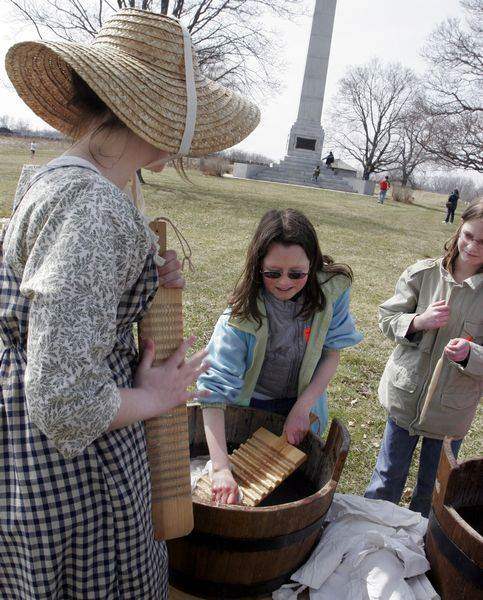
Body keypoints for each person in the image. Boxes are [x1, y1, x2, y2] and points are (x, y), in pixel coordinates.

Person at [1, 9, 259, 599]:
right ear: (154, 115)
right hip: (73, 480)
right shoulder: (92, 209)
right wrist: (154, 397)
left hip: (34, 458)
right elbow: (63, 399)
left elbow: (45, 297)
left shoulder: (61, 181)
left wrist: (139, 277)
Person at [197, 208, 362, 505]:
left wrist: (304, 405)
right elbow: (212, 392)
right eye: (273, 273)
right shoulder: (240, 316)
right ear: (258, 265)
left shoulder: (330, 294)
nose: (284, 282)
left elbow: (331, 353)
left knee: (291, 491)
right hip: (252, 406)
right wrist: (221, 468)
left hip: (303, 402)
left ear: (312, 264)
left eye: (296, 273)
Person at [365, 200, 483, 517]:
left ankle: (418, 548)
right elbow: (386, 319)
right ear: (460, 229)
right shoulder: (422, 274)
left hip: (450, 413)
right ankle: (369, 534)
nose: (472, 247)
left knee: (432, 492)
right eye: (469, 235)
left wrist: (470, 354)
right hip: (405, 401)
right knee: (386, 478)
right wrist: (417, 321)